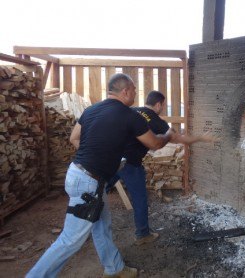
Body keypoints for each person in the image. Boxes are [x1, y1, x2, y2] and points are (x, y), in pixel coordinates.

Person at [26, 74, 174, 278]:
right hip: (88, 183)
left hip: (78, 174)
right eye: (133, 89)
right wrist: (168, 134)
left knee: (102, 224)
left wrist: (95, 157)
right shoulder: (130, 116)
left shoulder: (91, 110)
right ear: (126, 91)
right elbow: (155, 144)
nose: (135, 93)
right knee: (70, 240)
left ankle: (114, 268)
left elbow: (73, 138)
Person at [108, 90, 214, 246]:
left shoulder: (132, 110)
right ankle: (143, 234)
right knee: (140, 199)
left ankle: (87, 218)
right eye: (163, 106)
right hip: (130, 164)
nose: (162, 109)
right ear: (158, 104)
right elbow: (179, 139)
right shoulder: (157, 121)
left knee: (98, 190)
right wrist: (201, 138)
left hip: (113, 158)